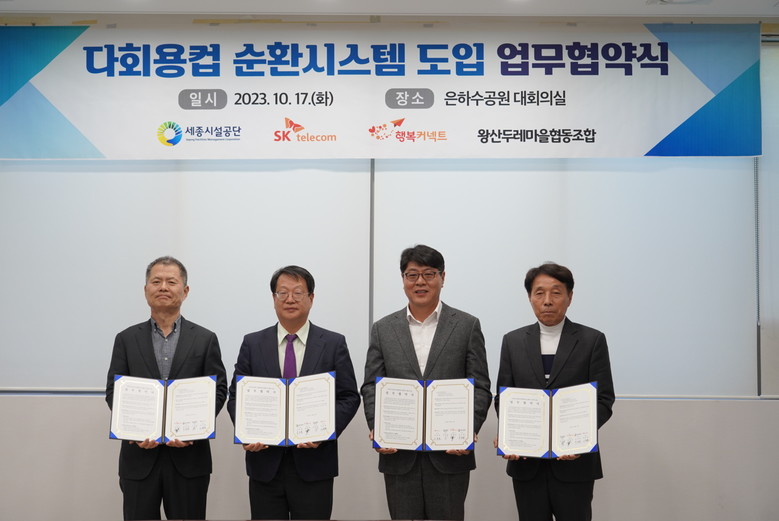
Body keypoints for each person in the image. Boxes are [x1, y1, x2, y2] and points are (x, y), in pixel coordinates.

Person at [361, 244, 492, 521]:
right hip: (399, 455)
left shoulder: (467, 325)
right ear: (403, 280)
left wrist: (469, 429)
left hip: (450, 455)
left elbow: (480, 385)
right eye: (412, 275)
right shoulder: (383, 329)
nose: (420, 282)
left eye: (429, 274)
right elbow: (371, 385)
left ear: (443, 277)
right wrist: (377, 426)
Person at [227, 265, 360, 520]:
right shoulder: (253, 343)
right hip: (264, 464)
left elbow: (349, 397)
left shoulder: (333, 343)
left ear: (311, 298)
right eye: (282, 293)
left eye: (298, 293)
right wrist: (247, 432)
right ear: (273, 298)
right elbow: (236, 397)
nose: (290, 299)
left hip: (315, 464)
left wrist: (324, 431)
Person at [105, 256, 228, 521]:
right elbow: (114, 391)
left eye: (171, 282)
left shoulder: (205, 339)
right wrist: (133, 430)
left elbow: (218, 389)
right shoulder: (126, 339)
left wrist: (195, 428)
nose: (163, 287)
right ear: (145, 290)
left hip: (189, 459)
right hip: (139, 458)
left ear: (185, 290)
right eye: (156, 281)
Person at [495, 262, 615, 521]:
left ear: (569, 297)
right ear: (530, 297)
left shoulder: (592, 340)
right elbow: (503, 398)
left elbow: (604, 399)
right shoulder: (512, 341)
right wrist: (507, 435)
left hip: (575, 464)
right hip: (526, 464)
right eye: (539, 293)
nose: (547, 301)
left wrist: (580, 437)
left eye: (556, 292)